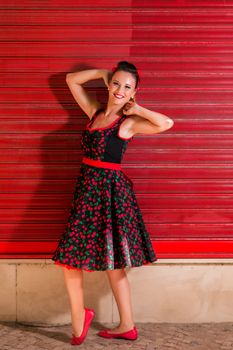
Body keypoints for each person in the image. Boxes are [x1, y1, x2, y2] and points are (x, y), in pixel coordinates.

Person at [51, 60, 174, 345]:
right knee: (71, 261)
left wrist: (137, 107)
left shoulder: (128, 123)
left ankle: (122, 325)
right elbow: (71, 80)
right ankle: (87, 319)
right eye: (116, 83)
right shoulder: (94, 113)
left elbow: (166, 123)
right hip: (86, 193)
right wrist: (101, 73)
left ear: (134, 92)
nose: (119, 90)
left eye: (127, 87)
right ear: (108, 84)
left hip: (110, 197)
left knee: (112, 262)